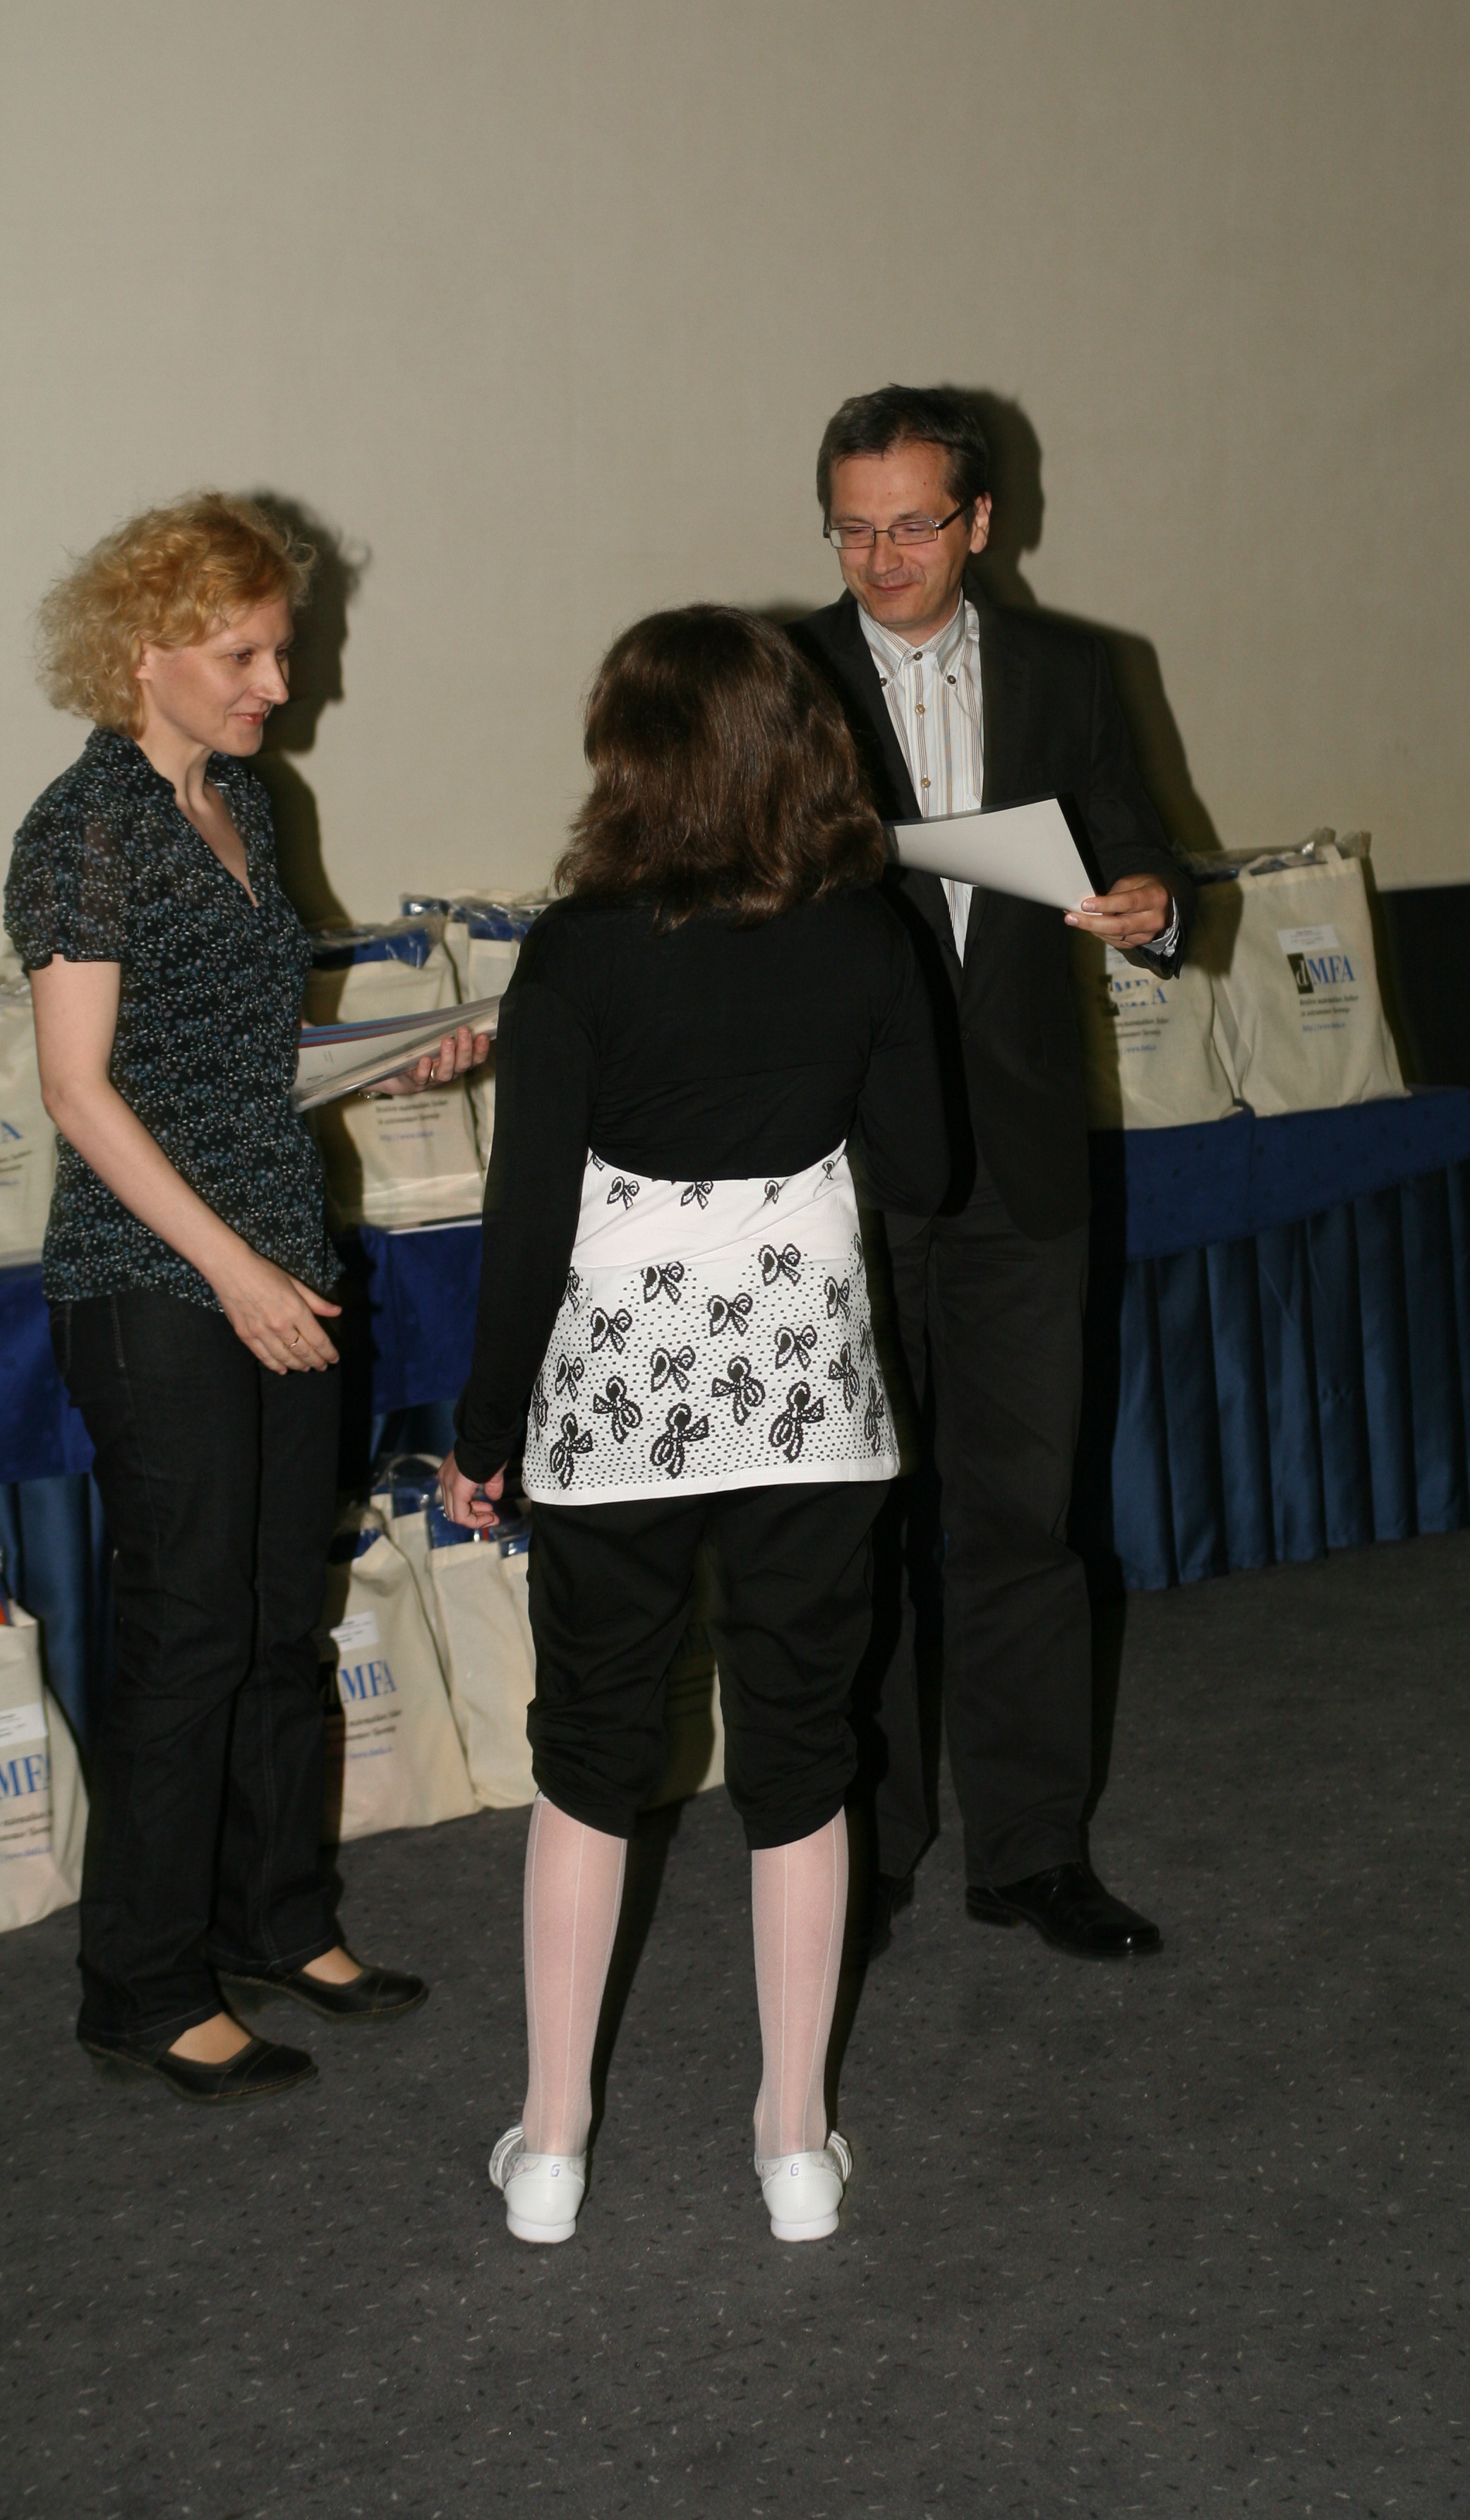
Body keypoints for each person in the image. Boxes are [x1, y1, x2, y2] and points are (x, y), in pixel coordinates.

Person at [438, 606, 948, 2248]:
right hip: (805, 1392)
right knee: (802, 1747)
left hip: (620, 1397)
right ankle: (794, 2149)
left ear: (634, 761)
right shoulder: (869, 933)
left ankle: (552, 2148)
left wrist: (481, 1432)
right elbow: (927, 1172)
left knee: (592, 1746)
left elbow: (526, 1225)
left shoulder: (579, 950)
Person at [4, 493, 483, 2105]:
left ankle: (277, 1920)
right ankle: (141, 1988)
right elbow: (80, 1092)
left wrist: (387, 1061)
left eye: (283, 650)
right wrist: (233, 1272)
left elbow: (237, 1060)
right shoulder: (83, 829)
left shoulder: (247, 806)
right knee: (189, 1631)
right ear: (142, 651)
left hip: (281, 1254)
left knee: (283, 1618)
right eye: (246, 656)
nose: (281, 683)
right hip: (159, 1283)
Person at [796, 385, 1188, 1962]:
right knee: (861, 1528)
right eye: (853, 528)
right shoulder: (781, 674)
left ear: (979, 523)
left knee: (1025, 1521)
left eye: (912, 524)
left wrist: (1152, 904)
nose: (882, 557)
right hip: (842, 1163)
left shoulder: (1072, 670)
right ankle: (869, 1849)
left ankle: (1033, 1855)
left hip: (1021, 1164)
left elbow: (1146, 853)